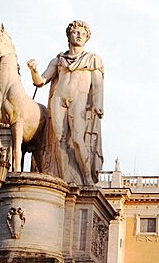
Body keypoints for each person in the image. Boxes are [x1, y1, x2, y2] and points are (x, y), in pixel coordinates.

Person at [29, 20, 105, 185]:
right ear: (69, 35)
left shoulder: (92, 59)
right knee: (59, 140)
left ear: (86, 38)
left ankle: (86, 179)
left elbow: (98, 85)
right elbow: (41, 81)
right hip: (59, 98)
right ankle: (65, 179)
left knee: (78, 139)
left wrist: (98, 104)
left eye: (83, 34)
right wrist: (33, 70)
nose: (79, 35)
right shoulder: (59, 60)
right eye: (75, 32)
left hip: (79, 100)